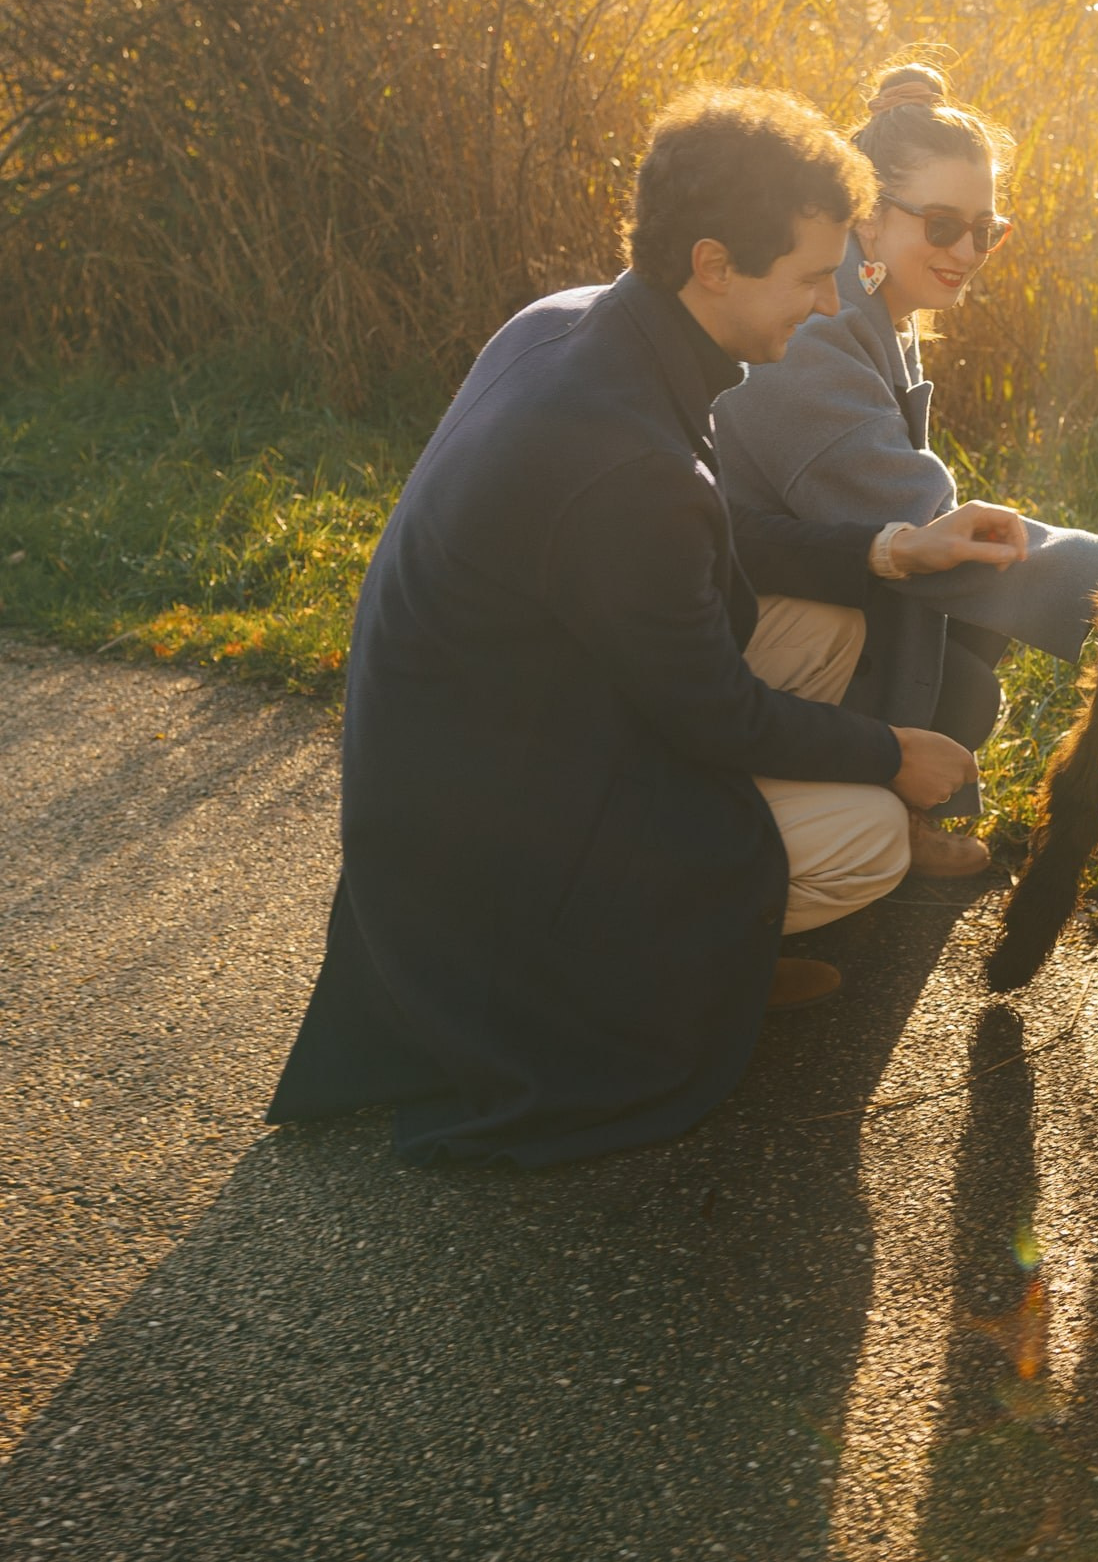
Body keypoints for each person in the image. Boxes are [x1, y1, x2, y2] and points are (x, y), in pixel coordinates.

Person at [267, 86, 1028, 1170]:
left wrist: (883, 551)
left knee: (823, 623)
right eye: (812, 276)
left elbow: (705, 542)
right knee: (864, 837)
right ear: (714, 262)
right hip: (496, 843)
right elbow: (707, 708)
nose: (826, 307)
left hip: (508, 728)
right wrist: (890, 755)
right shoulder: (621, 458)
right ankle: (650, 968)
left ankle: (713, 930)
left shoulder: (578, 321)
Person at [713, 65, 1098, 879]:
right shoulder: (815, 326)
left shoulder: (871, 291)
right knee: (965, 682)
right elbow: (919, 521)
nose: (967, 252)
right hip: (731, 618)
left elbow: (917, 520)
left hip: (795, 570)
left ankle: (891, 797)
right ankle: (841, 817)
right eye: (942, 226)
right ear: (870, 220)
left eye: (987, 229)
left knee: (972, 647)